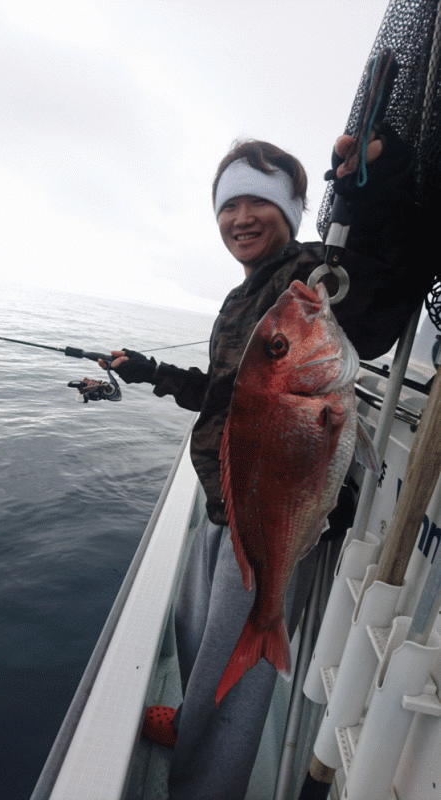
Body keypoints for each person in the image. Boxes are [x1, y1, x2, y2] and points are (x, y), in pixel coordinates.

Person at [98, 130, 422, 799]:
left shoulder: (311, 281)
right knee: (199, 644)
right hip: (227, 498)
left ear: (295, 210)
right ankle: (191, 723)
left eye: (259, 201)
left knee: (238, 674)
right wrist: (150, 371)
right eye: (228, 205)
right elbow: (223, 395)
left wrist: (377, 187)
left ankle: (205, 784)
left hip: (274, 507)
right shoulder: (243, 296)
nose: (240, 217)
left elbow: (382, 282)